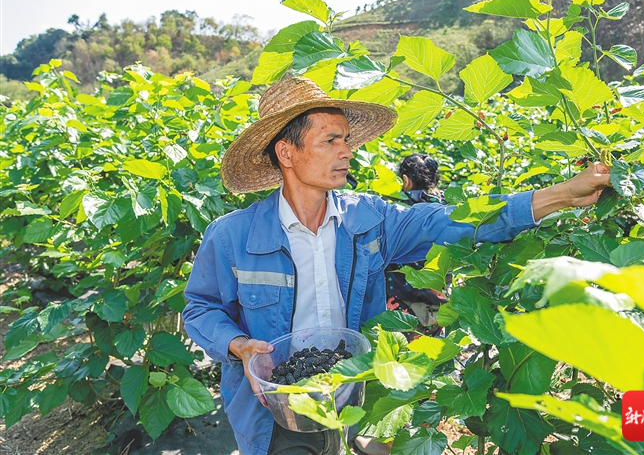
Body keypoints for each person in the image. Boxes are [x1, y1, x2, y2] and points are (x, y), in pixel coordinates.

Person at [182, 75, 611, 455]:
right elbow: (200, 308)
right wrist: (240, 346)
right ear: (287, 153)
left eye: (347, 139)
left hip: (351, 399)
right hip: (276, 410)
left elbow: (451, 222)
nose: (347, 152)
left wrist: (558, 195)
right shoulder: (233, 236)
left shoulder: (368, 221)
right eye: (330, 140)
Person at [384, 154, 448, 340]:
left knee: (401, 348)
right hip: (438, 299)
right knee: (434, 351)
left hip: (403, 301)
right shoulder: (447, 206)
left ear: (405, 180)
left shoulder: (398, 209)